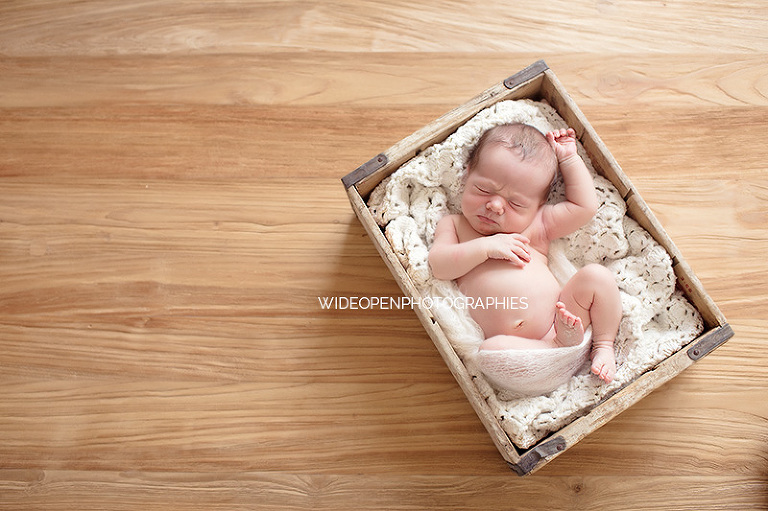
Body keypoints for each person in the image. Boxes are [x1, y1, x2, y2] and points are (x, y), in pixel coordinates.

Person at [428, 123, 621, 383]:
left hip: (563, 320)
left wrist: (569, 159)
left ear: (538, 205)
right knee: (489, 352)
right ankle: (555, 348)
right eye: (484, 190)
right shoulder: (455, 225)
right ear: (467, 174)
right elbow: (439, 266)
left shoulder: (536, 224)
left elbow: (584, 207)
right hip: (520, 355)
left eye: (516, 203)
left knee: (597, 277)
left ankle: (603, 345)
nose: (495, 205)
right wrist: (485, 248)